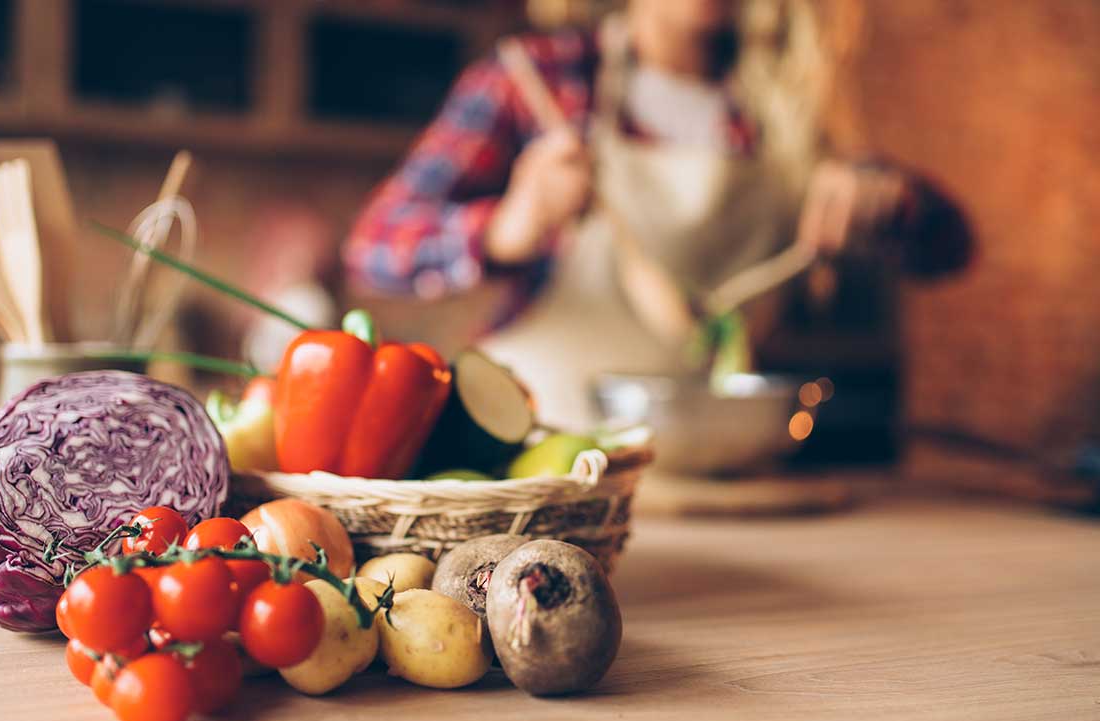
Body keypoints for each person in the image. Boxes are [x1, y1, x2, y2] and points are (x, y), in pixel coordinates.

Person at [345, 0, 967, 430]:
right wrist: (511, 226)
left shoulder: (788, 104)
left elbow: (948, 252)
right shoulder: (539, 78)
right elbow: (374, 249)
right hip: (544, 448)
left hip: (722, 456)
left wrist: (894, 201)